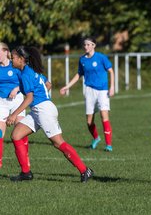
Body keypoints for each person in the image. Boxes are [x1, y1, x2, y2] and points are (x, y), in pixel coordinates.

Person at [6, 46, 93, 182]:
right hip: (39, 109)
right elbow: (48, 84)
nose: (11, 60)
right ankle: (25, 173)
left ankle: (84, 170)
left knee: (58, 143)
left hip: (44, 110)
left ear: (22, 59)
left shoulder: (26, 74)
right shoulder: (31, 71)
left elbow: (29, 98)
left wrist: (13, 115)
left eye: (13, 58)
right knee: (16, 135)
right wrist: (42, 95)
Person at [60, 37, 115, 152]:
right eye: (85, 45)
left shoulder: (101, 57)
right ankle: (96, 138)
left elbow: (111, 71)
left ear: (94, 45)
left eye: (89, 44)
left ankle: (108, 145)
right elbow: (78, 75)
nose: (86, 47)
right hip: (89, 91)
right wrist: (67, 86)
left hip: (102, 91)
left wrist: (112, 86)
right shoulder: (83, 60)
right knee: (89, 121)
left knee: (104, 116)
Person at [0, 42, 28, 169]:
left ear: (6, 52)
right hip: (2, 102)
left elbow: (25, 82)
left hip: (17, 101)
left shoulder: (15, 65)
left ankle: (25, 163)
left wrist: (16, 88)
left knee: (20, 133)